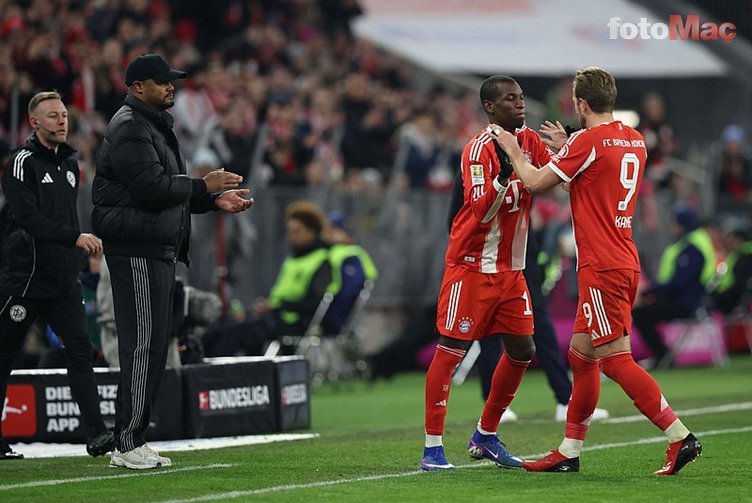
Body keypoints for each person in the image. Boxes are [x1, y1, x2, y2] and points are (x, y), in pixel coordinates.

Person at [494, 67, 702, 475]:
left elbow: (534, 183)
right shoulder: (635, 139)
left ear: (581, 104)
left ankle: (679, 436)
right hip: (623, 257)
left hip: (601, 265)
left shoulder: (586, 142)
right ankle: (569, 451)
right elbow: (592, 181)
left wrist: (514, 151)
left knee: (615, 360)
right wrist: (567, 149)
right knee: (582, 354)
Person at [91, 54, 253, 470]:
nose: (171, 87)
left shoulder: (151, 125)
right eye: (162, 81)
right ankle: (128, 441)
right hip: (137, 248)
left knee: (151, 345)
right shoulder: (130, 127)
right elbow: (151, 188)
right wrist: (202, 184)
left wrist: (213, 201)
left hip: (154, 246)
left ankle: (132, 437)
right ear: (137, 87)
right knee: (143, 344)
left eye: (172, 81)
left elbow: (167, 194)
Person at [420, 75, 551, 471]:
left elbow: (550, 178)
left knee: (523, 350)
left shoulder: (529, 140)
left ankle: (485, 435)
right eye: (510, 99)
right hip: (472, 266)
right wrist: (505, 174)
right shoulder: (477, 150)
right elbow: (480, 211)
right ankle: (432, 449)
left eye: (521, 97)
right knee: (451, 350)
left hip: (511, 269)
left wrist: (568, 150)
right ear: (490, 107)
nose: (520, 104)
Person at [0, 91, 114, 460]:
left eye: (64, 114)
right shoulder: (21, 163)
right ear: (34, 122)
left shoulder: (69, 164)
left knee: (80, 352)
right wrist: (75, 238)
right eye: (52, 116)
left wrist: (76, 257)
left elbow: (64, 218)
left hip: (63, 281)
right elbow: (28, 219)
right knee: (4, 355)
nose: (62, 121)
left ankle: (97, 433)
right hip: (25, 278)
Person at [446, 169, 609, 423]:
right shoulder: (474, 164)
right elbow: (455, 221)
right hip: (486, 260)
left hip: (521, 258)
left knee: (540, 326)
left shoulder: (522, 160)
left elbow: (544, 181)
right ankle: (494, 405)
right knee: (488, 331)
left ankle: (564, 399)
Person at [202, 200, 332, 357]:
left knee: (236, 332)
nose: (290, 237)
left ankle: (214, 369)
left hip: (294, 324)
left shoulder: (322, 261)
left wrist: (277, 307)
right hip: (274, 317)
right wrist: (267, 304)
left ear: (312, 231)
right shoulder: (293, 259)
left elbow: (313, 303)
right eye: (289, 232)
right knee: (221, 327)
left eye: (296, 232)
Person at [632, 204, 716, 367]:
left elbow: (680, 282)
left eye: (675, 223)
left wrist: (650, 291)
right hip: (688, 298)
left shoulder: (691, 247)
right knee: (645, 311)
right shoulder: (695, 242)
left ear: (682, 224)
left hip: (686, 302)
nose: (672, 227)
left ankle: (663, 356)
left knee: (641, 314)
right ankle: (663, 356)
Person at [712, 223, 752, 315]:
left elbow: (739, 286)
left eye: (731, 240)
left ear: (739, 240)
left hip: (732, 305)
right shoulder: (737, 255)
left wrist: (721, 298)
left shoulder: (745, 257)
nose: (728, 244)